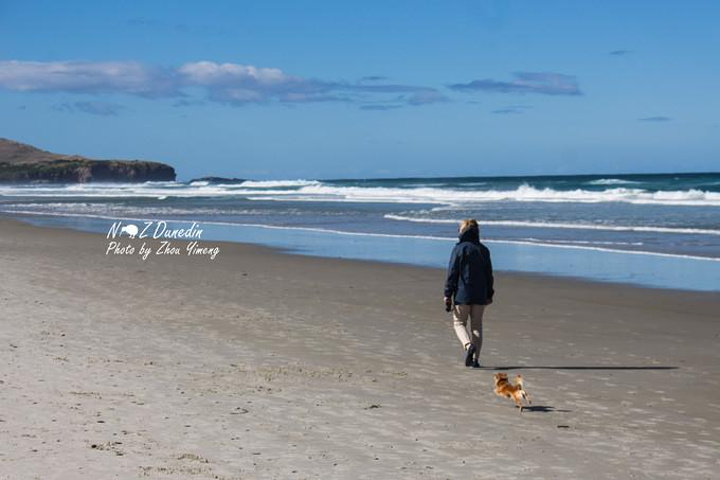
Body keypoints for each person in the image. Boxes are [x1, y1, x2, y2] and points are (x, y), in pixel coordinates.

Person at [443, 219, 494, 368]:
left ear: (462, 231)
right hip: (480, 294)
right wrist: (489, 293)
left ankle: (467, 345)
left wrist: (447, 293)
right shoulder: (483, 250)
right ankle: (475, 360)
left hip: (462, 293)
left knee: (459, 323)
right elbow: (489, 275)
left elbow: (452, 273)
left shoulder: (459, 249)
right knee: (477, 326)